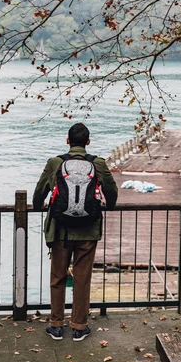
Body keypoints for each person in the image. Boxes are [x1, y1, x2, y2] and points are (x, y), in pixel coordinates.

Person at [33, 122, 118, 341]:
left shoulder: (55, 163)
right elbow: (111, 192)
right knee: (82, 279)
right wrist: (108, 206)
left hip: (60, 231)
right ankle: (79, 327)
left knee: (58, 277)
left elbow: (39, 192)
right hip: (88, 231)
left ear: (67, 140)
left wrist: (37, 207)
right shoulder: (97, 163)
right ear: (88, 142)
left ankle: (56, 325)